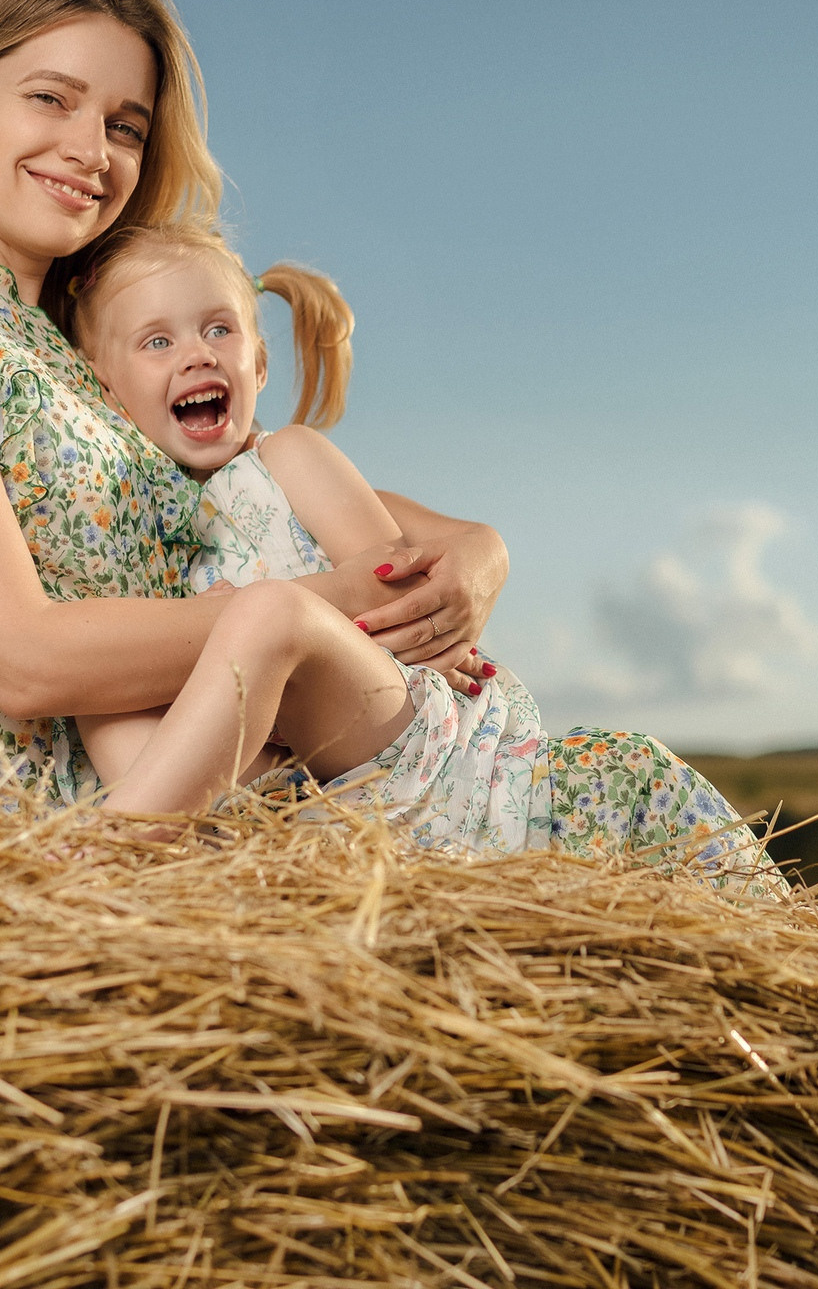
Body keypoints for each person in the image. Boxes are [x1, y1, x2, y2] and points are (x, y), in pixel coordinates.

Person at [0, 0, 776, 891]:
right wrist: (345, 610)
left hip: (216, 781)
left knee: (630, 794)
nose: (89, 148)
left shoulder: (74, 344)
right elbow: (21, 659)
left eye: (124, 126)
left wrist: (473, 556)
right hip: (58, 839)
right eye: (49, 98)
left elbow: (296, 498)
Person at [60, 223, 778, 891]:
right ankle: (180, 870)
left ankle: (95, 865)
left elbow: (392, 597)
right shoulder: (150, 530)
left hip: (410, 734)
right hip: (320, 794)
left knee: (267, 615)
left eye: (219, 329)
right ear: (104, 386)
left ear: (260, 361)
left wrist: (230, 629)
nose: (197, 352)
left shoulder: (288, 459)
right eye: (157, 342)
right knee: (106, 694)